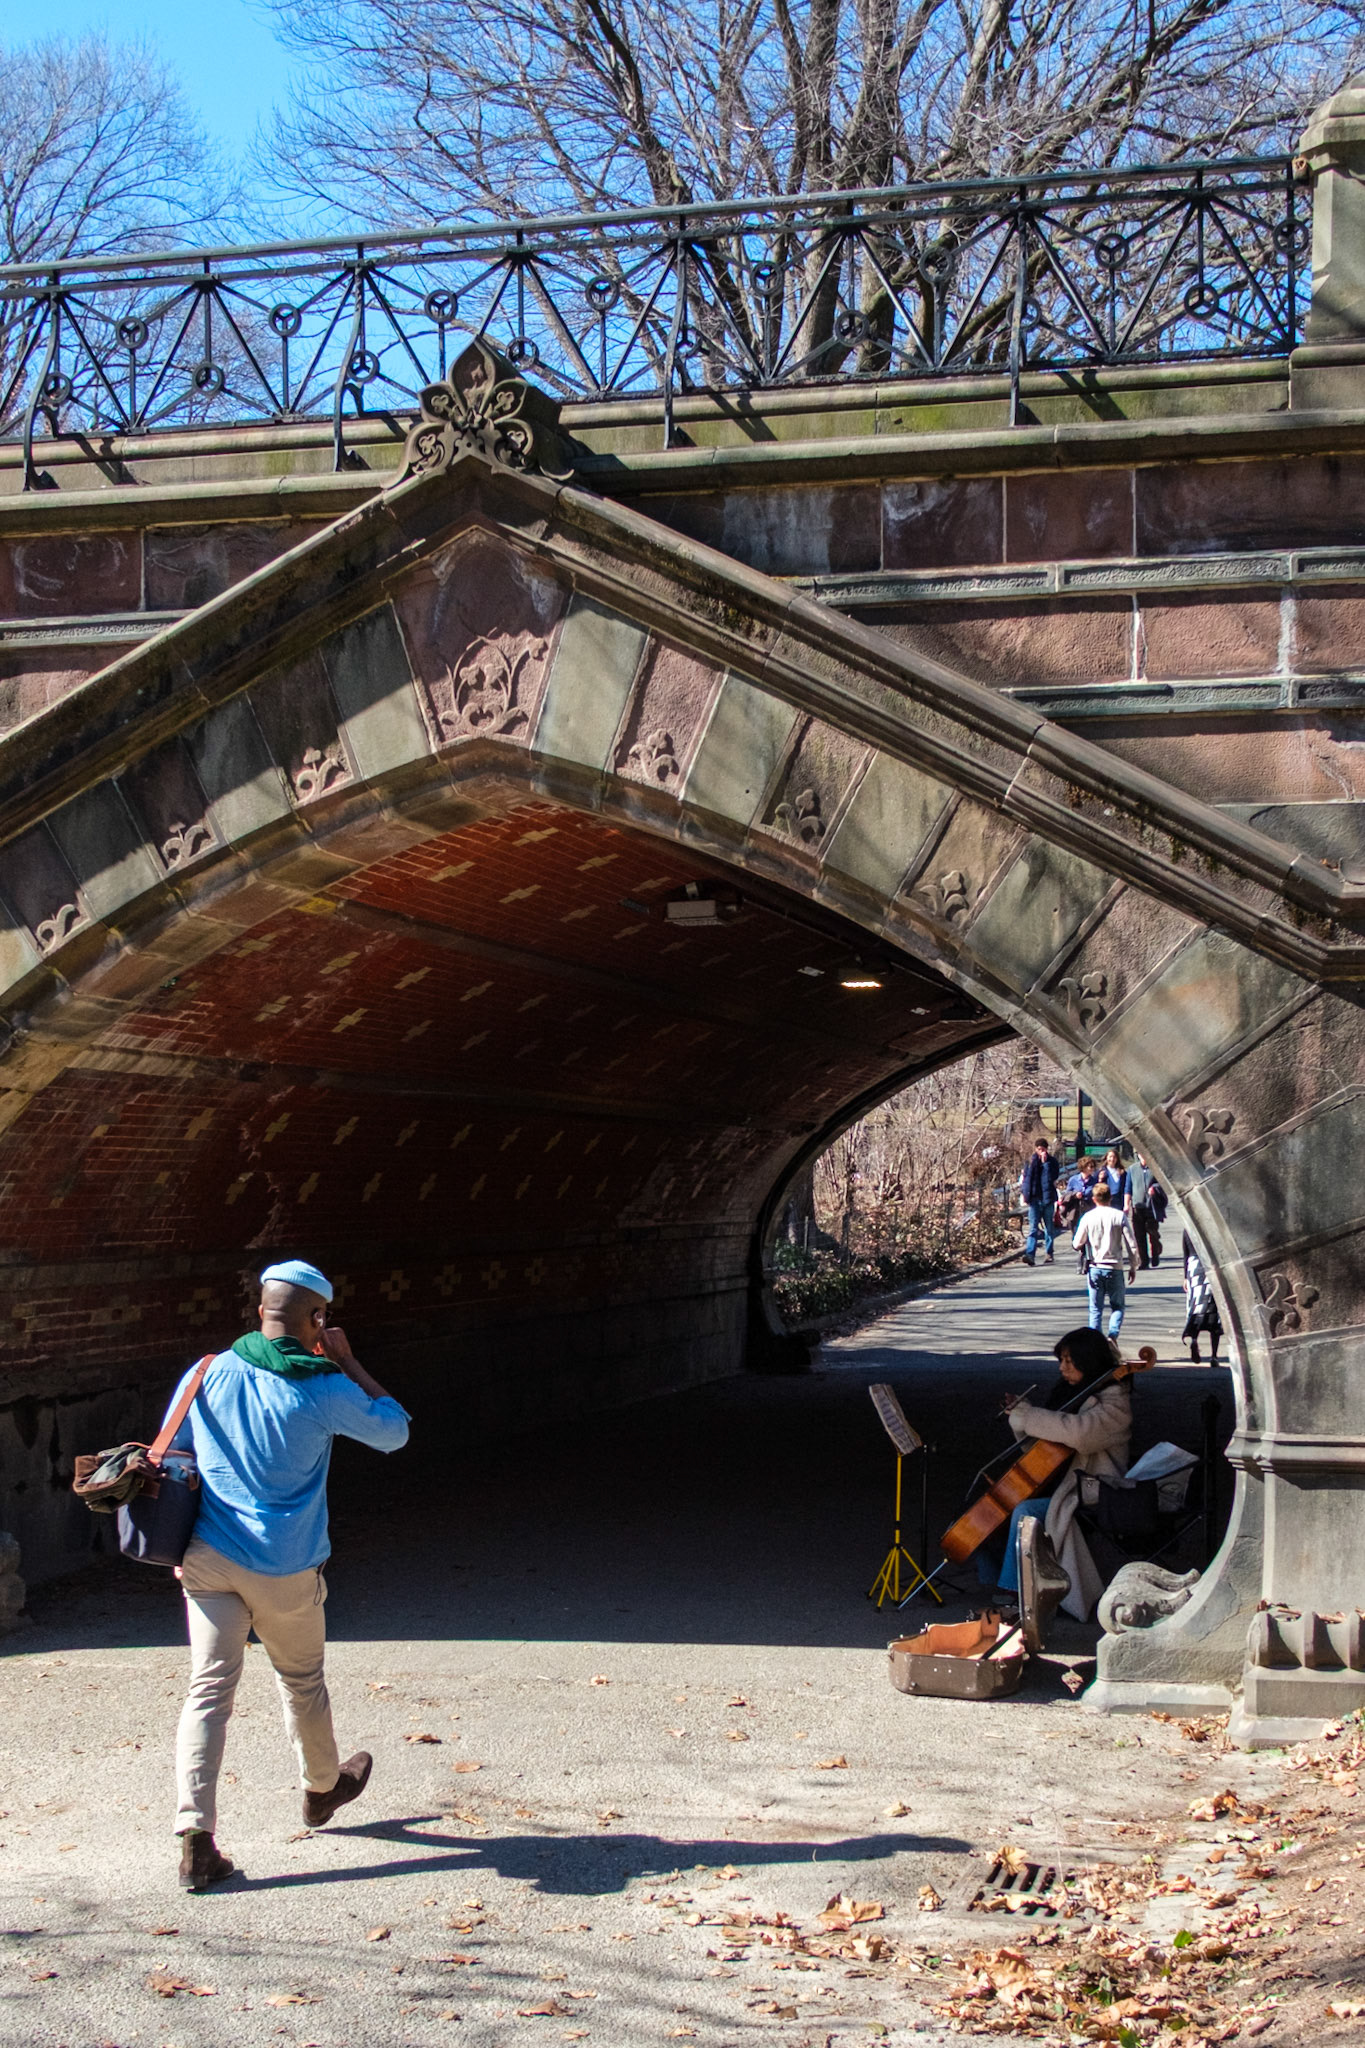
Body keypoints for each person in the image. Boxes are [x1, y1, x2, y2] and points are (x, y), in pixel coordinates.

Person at [164, 1259, 410, 1893]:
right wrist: (348, 1361)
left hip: (208, 1557)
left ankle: (195, 1839)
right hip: (285, 1563)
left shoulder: (206, 1371)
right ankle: (321, 1789)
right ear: (317, 1320)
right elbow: (394, 1432)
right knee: (300, 1680)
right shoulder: (322, 1385)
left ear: (260, 1311)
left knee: (207, 1692)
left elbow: (175, 1455)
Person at [996, 1327, 1135, 1621]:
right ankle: (1001, 1579)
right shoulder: (1070, 1393)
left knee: (1026, 1510)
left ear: (1089, 1361)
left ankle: (1014, 1591)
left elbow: (1080, 1433)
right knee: (997, 1511)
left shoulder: (1115, 1404)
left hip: (1094, 1489)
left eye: (1070, 1361)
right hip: (1066, 1483)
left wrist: (1029, 1416)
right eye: (1061, 1360)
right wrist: (1022, 1415)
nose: (1062, 1368)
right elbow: (1042, 1448)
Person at [1072, 1181, 1138, 1336]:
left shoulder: (1088, 1217)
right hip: (1115, 1267)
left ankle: (1096, 1342)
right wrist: (1133, 1265)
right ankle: (1112, 1335)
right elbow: (1131, 1244)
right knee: (1118, 1306)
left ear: (1094, 1199)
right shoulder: (1119, 1216)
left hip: (1095, 1267)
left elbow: (1077, 1243)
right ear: (1110, 1198)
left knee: (1095, 1309)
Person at [1182, 1233, 1224, 1364]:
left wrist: (1185, 1277)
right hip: (1210, 1265)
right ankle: (1214, 1356)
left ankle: (1194, 1339)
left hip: (1194, 1268)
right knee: (1213, 1310)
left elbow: (1186, 1253)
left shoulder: (1187, 1230)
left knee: (1196, 1308)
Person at [1018, 1137, 1059, 1266]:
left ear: (1047, 1149)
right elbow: (1027, 1180)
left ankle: (1049, 1253)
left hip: (1048, 1199)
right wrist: (1026, 1196)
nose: (1041, 1151)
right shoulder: (1031, 1162)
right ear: (1035, 1149)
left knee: (1049, 1228)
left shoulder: (1052, 1162)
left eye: (1043, 1149)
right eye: (1039, 1149)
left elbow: (1051, 1178)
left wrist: (1045, 1164)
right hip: (1035, 1199)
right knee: (1033, 1229)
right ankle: (1030, 1254)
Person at [1127, 1151, 1164, 1270]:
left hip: (1151, 1206)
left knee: (1153, 1233)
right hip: (1137, 1206)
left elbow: (1163, 1183)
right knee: (1139, 1235)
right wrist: (1126, 1205)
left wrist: (1154, 1188)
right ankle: (1143, 1261)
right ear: (1138, 1155)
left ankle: (1156, 1252)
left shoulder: (1155, 1168)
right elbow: (1128, 1188)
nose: (1142, 1156)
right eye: (1140, 1154)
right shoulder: (1132, 1169)